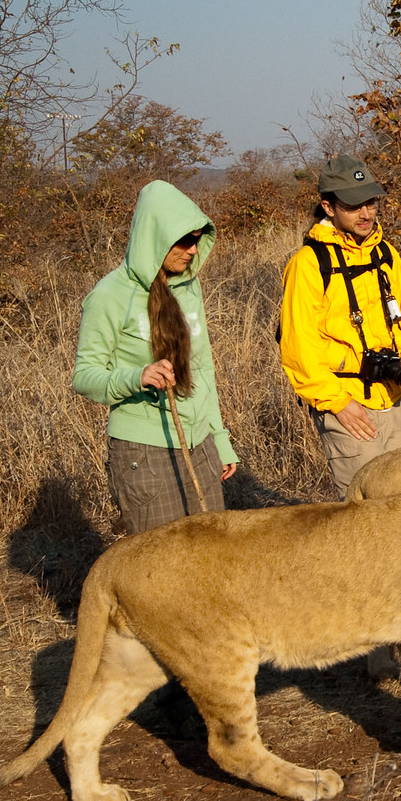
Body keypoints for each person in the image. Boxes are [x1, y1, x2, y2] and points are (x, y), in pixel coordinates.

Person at [279, 154, 401, 497]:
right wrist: (337, 403)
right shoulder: (308, 264)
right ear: (328, 207)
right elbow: (299, 347)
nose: (366, 214)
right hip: (346, 406)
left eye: (371, 203)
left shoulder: (386, 255)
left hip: (393, 400)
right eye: (354, 205)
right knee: (366, 518)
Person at [73, 179, 238, 535]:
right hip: (144, 453)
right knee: (161, 572)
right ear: (155, 237)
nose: (193, 250)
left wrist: (219, 439)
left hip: (201, 444)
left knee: (211, 559)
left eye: (197, 239)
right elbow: (84, 376)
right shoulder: (109, 295)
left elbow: (202, 368)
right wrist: (137, 377)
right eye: (183, 240)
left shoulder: (188, 287)